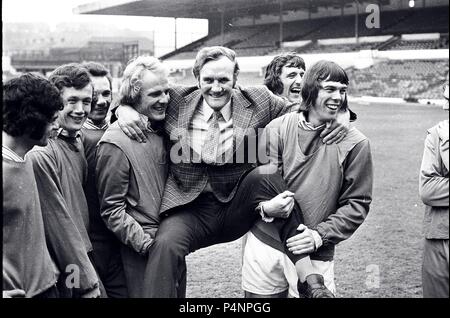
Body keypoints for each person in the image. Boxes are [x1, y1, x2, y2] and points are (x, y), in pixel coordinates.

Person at [114, 46, 352, 297]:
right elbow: (137, 97)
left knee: (266, 175)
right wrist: (123, 109)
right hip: (190, 210)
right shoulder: (174, 100)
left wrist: (343, 114)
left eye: (224, 80)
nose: (216, 87)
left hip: (238, 206)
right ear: (197, 79)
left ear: (235, 79)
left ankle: (311, 281)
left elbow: (301, 110)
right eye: (208, 80)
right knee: (164, 245)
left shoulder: (258, 100)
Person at [242, 60, 373, 298]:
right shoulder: (276, 128)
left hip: (314, 251)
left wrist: (318, 236)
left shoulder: (357, 144)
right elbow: (260, 183)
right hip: (265, 242)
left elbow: (357, 205)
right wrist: (266, 207)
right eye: (330, 89)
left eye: (343, 91)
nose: (338, 98)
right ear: (311, 89)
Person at [95, 56, 174, 297]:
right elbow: (112, 211)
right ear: (134, 96)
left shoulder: (162, 127)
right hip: (144, 250)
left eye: (166, 92)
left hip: (170, 243)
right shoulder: (114, 142)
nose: (164, 100)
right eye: (154, 95)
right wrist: (149, 246)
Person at [27, 64, 100, 298]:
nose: (80, 110)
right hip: (63, 264)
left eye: (86, 101)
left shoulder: (78, 140)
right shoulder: (42, 153)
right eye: (72, 101)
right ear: (55, 102)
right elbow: (60, 226)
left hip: (82, 255)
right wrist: (87, 283)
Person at [3, 73, 62, 298]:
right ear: (32, 119)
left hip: (45, 287)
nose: (58, 125)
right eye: (53, 119)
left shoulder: (28, 157)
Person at [80, 61, 128, 298]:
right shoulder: (75, 138)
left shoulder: (121, 127)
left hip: (119, 242)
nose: (101, 101)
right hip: (92, 244)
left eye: (106, 93)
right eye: (93, 95)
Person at [419, 80, 449, 298]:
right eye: (446, 99)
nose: (445, 107)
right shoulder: (436, 136)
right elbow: (428, 190)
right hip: (440, 237)